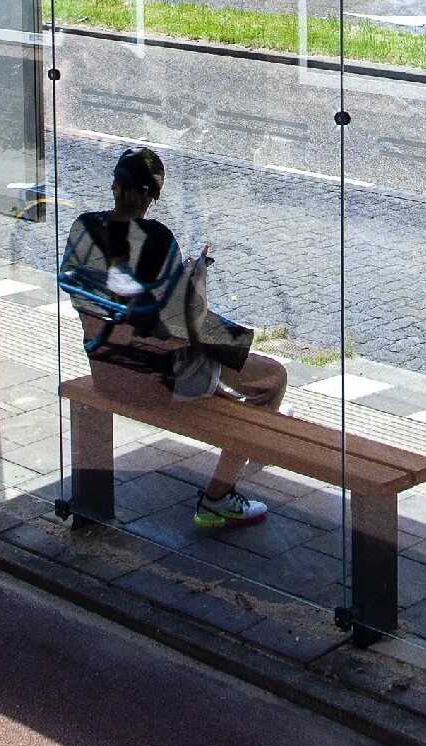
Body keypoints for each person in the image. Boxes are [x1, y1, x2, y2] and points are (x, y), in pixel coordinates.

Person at [58, 147, 289, 529]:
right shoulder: (159, 239)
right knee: (271, 379)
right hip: (157, 384)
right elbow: (186, 325)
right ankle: (217, 498)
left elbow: (94, 295)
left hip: (106, 372)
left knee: (223, 361)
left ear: (114, 185)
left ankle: (246, 419)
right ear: (155, 197)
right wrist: (197, 280)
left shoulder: (83, 229)